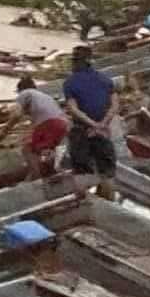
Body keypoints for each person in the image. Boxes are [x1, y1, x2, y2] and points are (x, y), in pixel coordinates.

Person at [63, 44, 119, 200]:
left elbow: (73, 109)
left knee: (81, 173)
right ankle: (109, 207)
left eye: (73, 61)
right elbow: (115, 105)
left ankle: (82, 206)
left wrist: (92, 125)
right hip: (102, 131)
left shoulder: (70, 83)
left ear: (77, 63)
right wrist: (102, 124)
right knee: (107, 173)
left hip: (82, 131)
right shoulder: (106, 80)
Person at [1, 76, 69, 179]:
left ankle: (37, 179)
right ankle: (53, 172)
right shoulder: (45, 96)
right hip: (63, 124)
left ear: (20, 89)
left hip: (49, 124)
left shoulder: (24, 94)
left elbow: (16, 115)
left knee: (27, 149)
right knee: (44, 149)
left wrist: (4, 131)